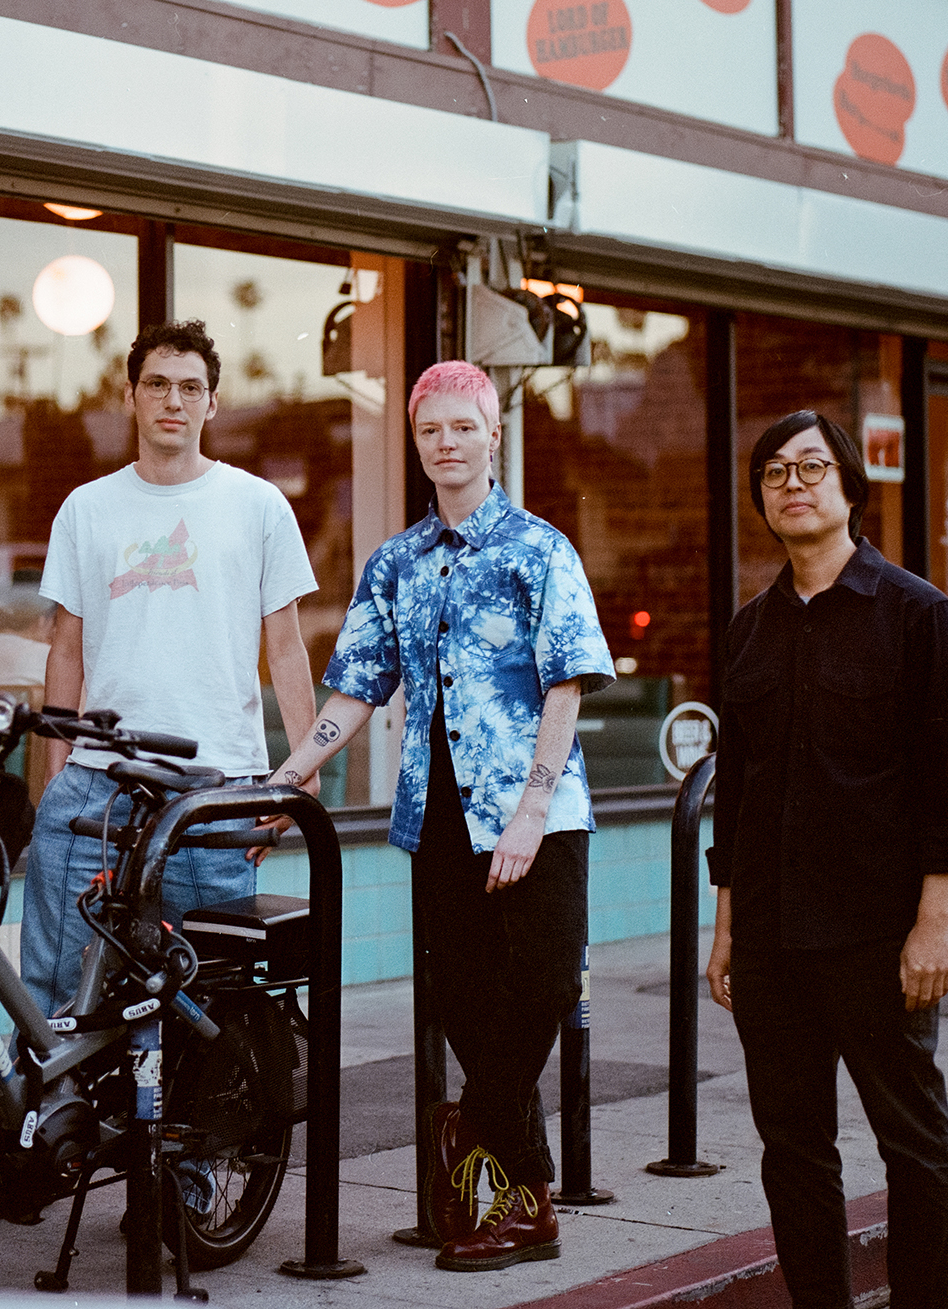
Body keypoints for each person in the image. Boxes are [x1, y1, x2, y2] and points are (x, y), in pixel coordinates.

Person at [0, 319, 320, 1222]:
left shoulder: (257, 505)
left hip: (216, 788)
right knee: (52, 985)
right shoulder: (88, 507)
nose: (173, 400)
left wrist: (300, 773)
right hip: (98, 782)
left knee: (198, 987)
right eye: (157, 383)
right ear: (130, 397)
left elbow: (284, 645)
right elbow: (65, 649)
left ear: (212, 403)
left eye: (190, 386)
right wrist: (53, 776)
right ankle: (34, 1156)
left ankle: (186, 1171)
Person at [271, 358, 613, 1273]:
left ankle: (468, 1131)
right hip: (439, 818)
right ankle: (528, 1206)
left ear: (494, 434)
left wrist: (531, 808)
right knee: (467, 1004)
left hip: (540, 810)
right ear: (417, 443)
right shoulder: (396, 563)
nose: (447, 442)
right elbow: (356, 686)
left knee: (545, 982)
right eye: (431, 430)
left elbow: (568, 682)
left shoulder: (540, 548)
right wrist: (291, 775)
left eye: (464, 426)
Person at [705, 411, 948, 1309]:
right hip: (772, 940)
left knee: (912, 1140)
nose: (792, 483)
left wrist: (934, 924)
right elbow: (738, 795)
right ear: (761, 499)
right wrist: (727, 925)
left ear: (850, 487)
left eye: (811, 466)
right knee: (792, 1149)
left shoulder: (919, 614)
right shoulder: (749, 631)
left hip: (879, 934)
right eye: (774, 472)